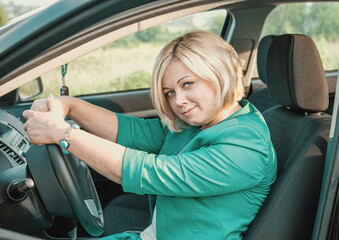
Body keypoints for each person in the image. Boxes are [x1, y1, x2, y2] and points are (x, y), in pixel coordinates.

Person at [23, 31, 277, 240]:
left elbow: (149, 171)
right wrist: (70, 106)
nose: (179, 101)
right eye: (169, 92)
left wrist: (62, 133)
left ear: (218, 74)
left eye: (187, 84)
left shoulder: (246, 146)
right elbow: (132, 132)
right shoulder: (200, 122)